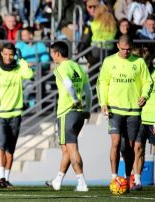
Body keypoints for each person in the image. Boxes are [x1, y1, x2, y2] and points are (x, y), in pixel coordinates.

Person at [96, 35, 153, 187]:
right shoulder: (109, 61)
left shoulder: (139, 62)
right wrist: (103, 102)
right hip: (114, 109)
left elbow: (148, 82)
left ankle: (128, 178)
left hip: (134, 110)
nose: (126, 52)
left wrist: (144, 95)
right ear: (117, 47)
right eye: (123, 49)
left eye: (128, 50)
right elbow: (103, 82)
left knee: (129, 147)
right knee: (115, 142)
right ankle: (114, 177)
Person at [46, 41, 92, 192]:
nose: (51, 56)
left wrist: (74, 100)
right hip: (79, 113)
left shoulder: (60, 68)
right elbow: (88, 89)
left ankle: (82, 182)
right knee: (65, 148)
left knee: (71, 148)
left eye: (52, 53)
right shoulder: (78, 67)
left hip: (67, 111)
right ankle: (57, 181)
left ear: (57, 54)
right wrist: (87, 108)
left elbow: (68, 84)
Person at [0, 43, 33, 188]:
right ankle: (1, 177)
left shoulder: (18, 68)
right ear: (1, 53)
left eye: (11, 54)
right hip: (0, 114)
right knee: (2, 145)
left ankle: (6, 178)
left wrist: (22, 60)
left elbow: (29, 74)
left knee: (11, 149)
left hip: (16, 113)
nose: (8, 57)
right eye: (5, 54)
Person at [134, 56, 155, 190]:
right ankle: (137, 181)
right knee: (137, 149)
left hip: (153, 118)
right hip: (139, 118)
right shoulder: (136, 74)